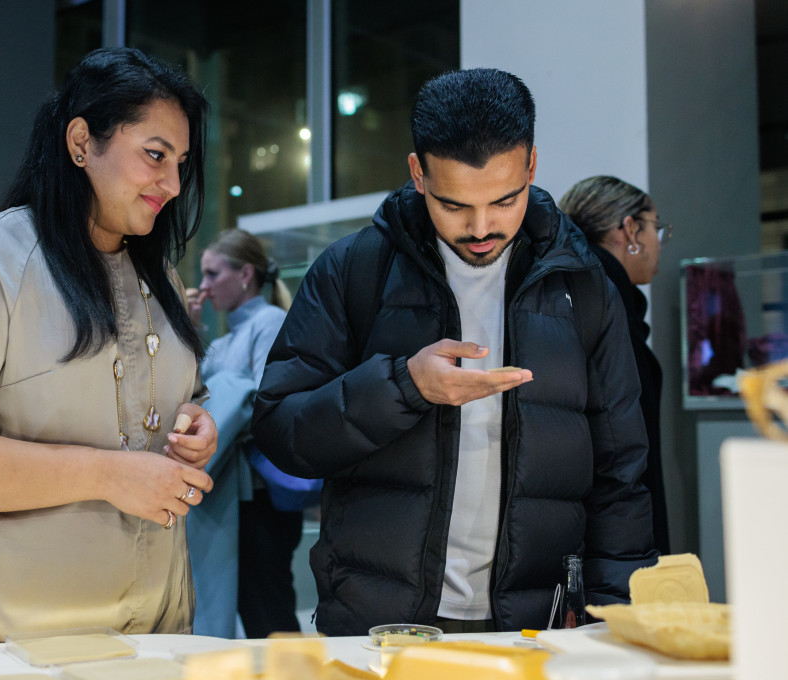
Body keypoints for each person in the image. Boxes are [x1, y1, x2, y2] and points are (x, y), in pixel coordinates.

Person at [251, 67, 657, 636]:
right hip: (380, 627)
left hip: (535, 624)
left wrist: (617, 624)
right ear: (418, 173)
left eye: (504, 200)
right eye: (455, 205)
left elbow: (620, 475)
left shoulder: (582, 286)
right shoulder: (354, 270)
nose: (482, 227)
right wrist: (402, 387)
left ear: (532, 166)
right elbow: (281, 432)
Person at [0, 47, 218, 642]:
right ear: (81, 142)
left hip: (147, 632)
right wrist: (109, 476)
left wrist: (193, 425)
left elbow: (174, 403)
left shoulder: (159, 278)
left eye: (180, 162)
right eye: (154, 155)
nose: (170, 183)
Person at [183, 229, 301, 638]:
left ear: (245, 273)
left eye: (213, 274)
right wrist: (192, 330)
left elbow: (263, 401)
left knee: (267, 614)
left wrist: (225, 397)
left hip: (260, 497)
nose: (205, 286)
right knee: (251, 610)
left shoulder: (269, 322)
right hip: (240, 496)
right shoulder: (230, 337)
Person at [559, 176, 671, 555]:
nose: (660, 243)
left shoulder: (572, 290)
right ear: (629, 229)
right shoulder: (609, 302)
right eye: (657, 228)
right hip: (613, 530)